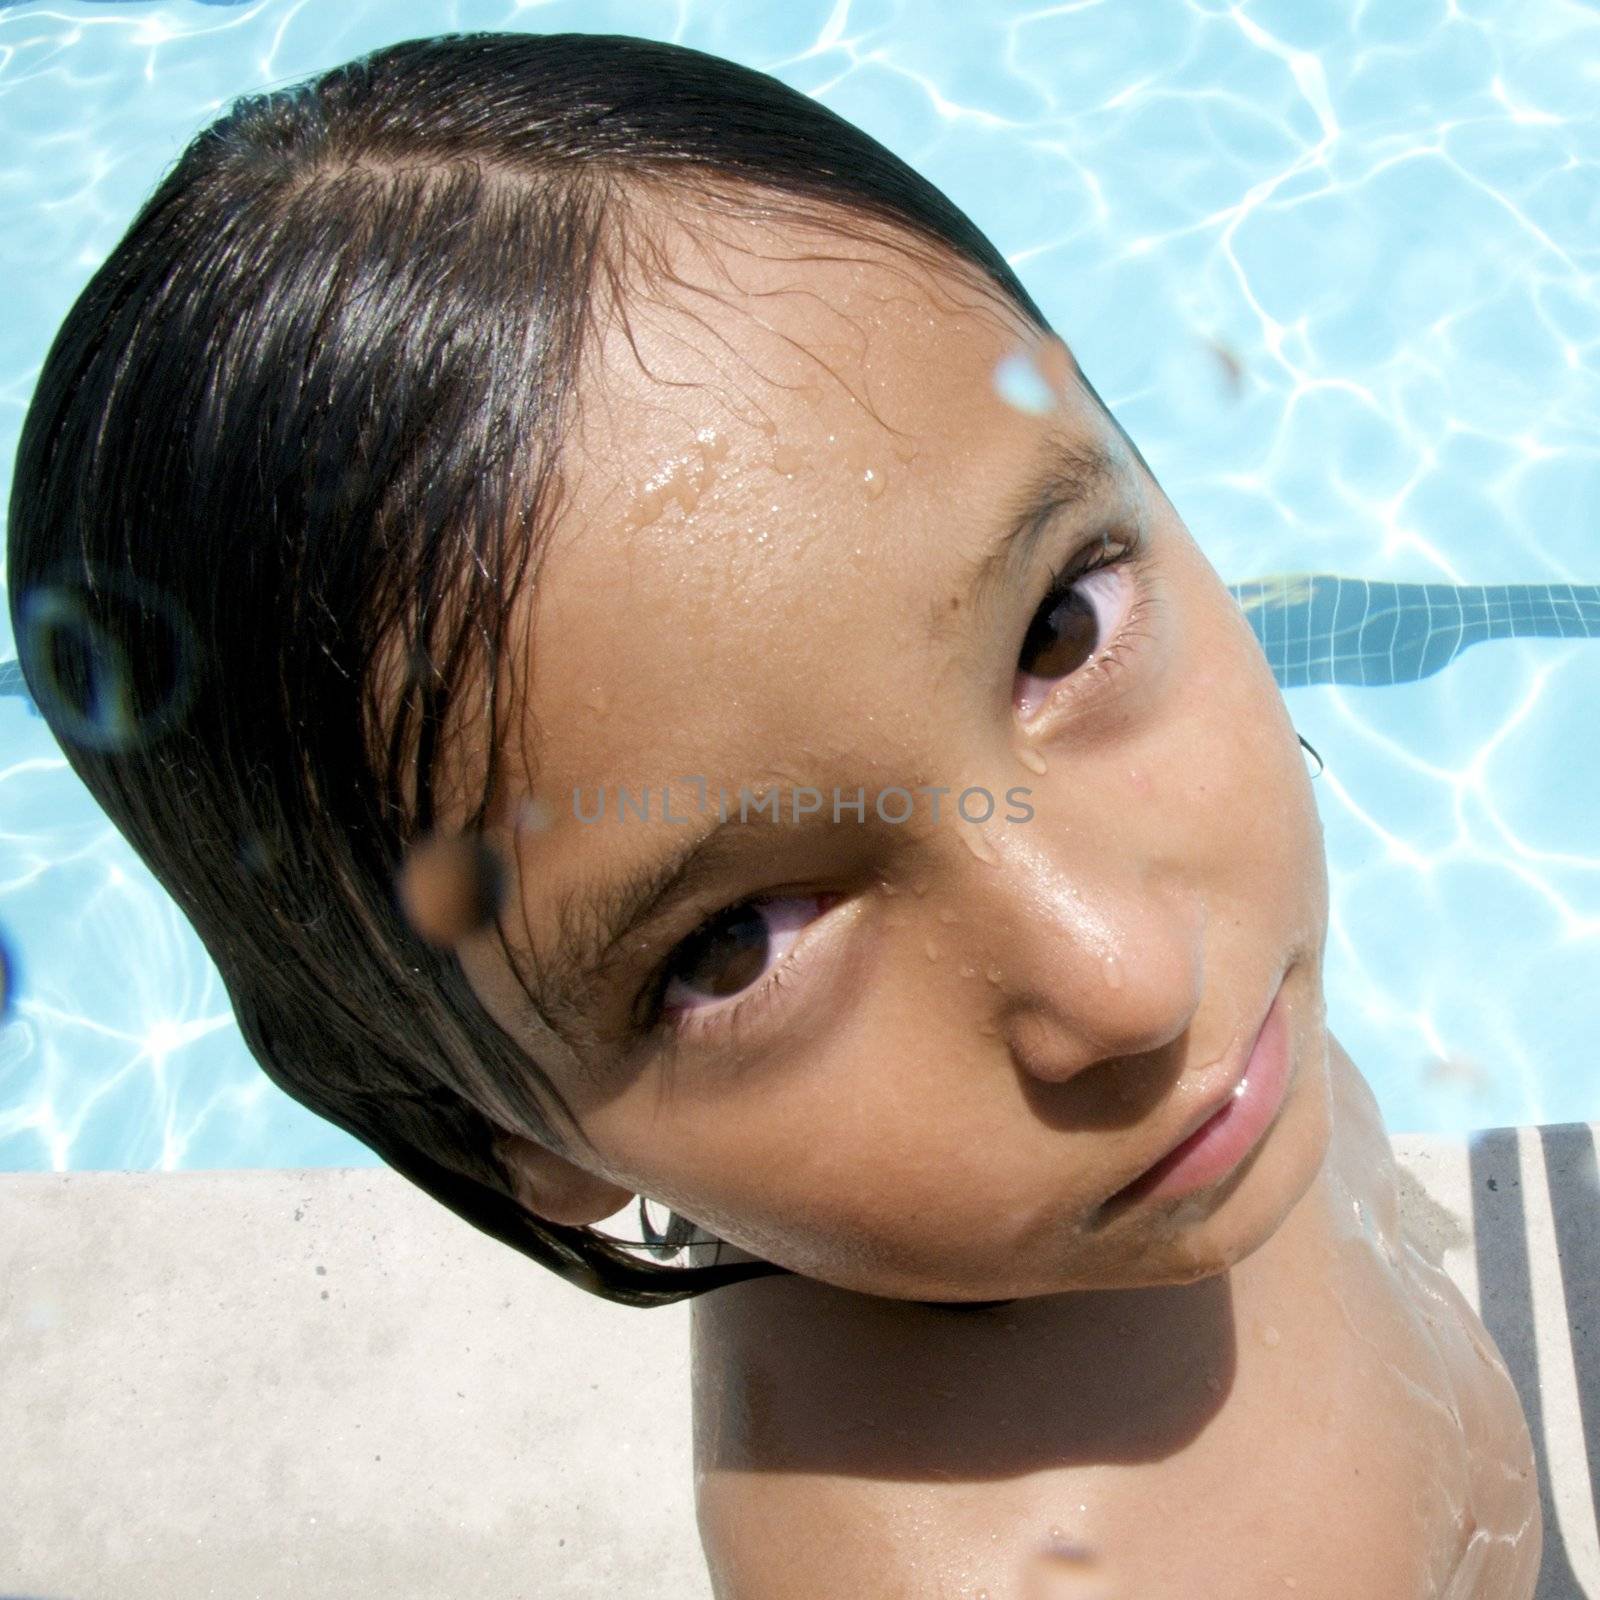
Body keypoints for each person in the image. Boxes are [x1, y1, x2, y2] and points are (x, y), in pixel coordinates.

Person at [5, 30, 1541, 1598]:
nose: (1132, 978)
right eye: (734, 945)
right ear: (510, 1140)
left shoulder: (1157, 1086)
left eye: (1057, 632)